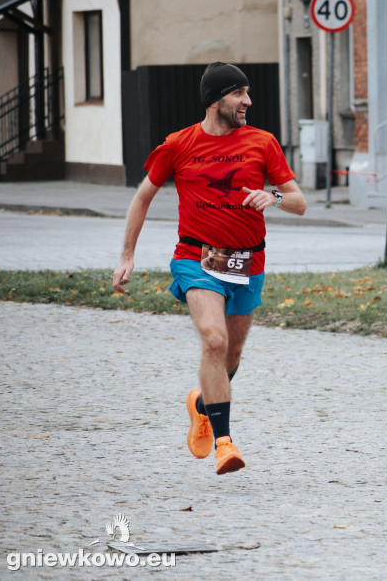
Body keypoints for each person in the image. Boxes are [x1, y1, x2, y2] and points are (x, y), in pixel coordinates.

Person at [112, 62, 307, 475]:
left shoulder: (263, 142)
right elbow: (142, 196)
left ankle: (202, 405)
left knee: (231, 354)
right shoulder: (177, 145)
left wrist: (272, 196)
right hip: (196, 258)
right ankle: (224, 443)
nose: (247, 102)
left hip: (249, 261)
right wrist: (128, 254)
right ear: (216, 99)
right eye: (239, 94)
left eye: (248, 94)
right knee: (214, 340)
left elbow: (299, 202)